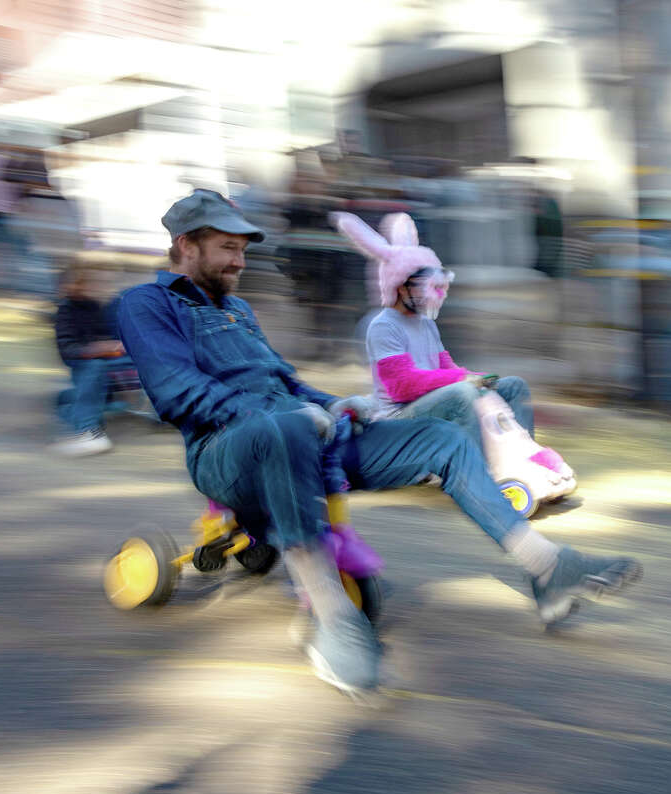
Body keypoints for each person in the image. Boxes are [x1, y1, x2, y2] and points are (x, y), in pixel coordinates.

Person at [117, 189, 641, 696]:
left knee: (441, 438)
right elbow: (175, 392)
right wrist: (296, 415)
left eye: (243, 250)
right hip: (224, 453)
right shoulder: (146, 305)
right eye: (229, 249)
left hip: (298, 428)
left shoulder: (240, 312)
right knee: (286, 427)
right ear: (187, 245)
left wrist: (333, 403)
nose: (240, 262)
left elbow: (288, 383)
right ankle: (331, 618)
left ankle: (548, 568)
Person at [334, 211, 537, 457]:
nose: (434, 294)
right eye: (425, 285)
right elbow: (402, 387)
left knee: (513, 386)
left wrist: (479, 378)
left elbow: (446, 367)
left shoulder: (426, 323)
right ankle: (483, 466)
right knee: (462, 393)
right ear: (399, 285)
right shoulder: (383, 326)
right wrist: (462, 380)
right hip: (398, 416)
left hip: (433, 399)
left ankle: (525, 455)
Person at [52, 267, 131, 456]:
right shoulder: (65, 311)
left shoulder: (94, 306)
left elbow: (103, 334)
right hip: (82, 361)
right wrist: (93, 349)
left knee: (135, 362)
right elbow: (68, 350)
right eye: (79, 283)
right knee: (96, 369)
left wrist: (112, 346)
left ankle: (68, 401)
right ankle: (88, 431)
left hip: (105, 358)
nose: (86, 287)